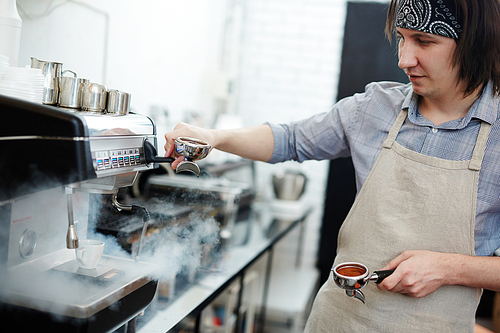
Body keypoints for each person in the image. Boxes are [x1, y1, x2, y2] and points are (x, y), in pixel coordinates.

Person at [164, 0, 500, 331]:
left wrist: (449, 268)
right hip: (337, 321)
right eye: (401, 37)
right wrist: (214, 136)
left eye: (424, 42)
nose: (403, 59)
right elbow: (290, 139)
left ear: (475, 43)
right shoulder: (374, 108)